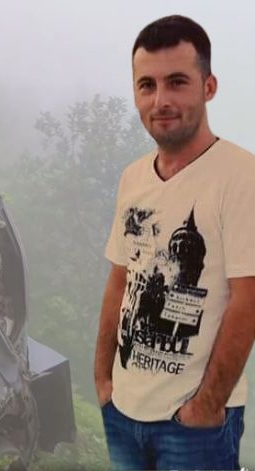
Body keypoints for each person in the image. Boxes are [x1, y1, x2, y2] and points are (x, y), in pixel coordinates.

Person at [95, 14, 254, 470]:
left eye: (177, 82)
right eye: (147, 85)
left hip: (191, 426)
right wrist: (103, 381)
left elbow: (249, 297)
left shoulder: (241, 176)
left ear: (208, 86)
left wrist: (206, 405)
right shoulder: (133, 178)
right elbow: (121, 279)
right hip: (122, 412)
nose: (160, 100)